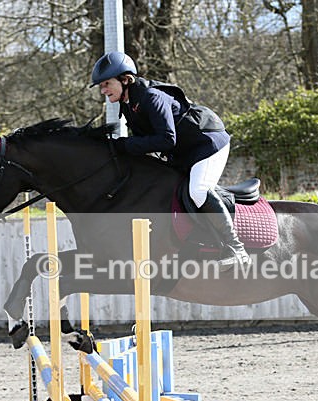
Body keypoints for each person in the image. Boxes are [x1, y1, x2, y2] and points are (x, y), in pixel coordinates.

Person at [90, 51, 250, 271]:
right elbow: (143, 142)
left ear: (125, 80)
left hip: (208, 143)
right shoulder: (128, 103)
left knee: (199, 190)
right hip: (185, 151)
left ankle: (237, 249)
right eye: (101, 86)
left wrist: (123, 145)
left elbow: (166, 139)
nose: (103, 90)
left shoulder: (151, 97)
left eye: (107, 83)